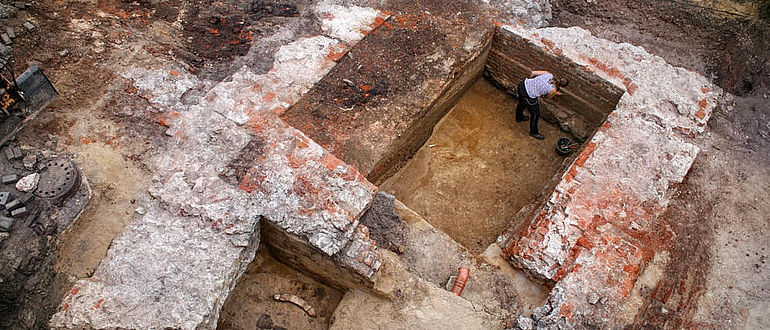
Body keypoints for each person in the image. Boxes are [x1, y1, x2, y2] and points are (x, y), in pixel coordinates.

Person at [515, 70, 569, 140]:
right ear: (562, 86)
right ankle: (533, 132)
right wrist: (555, 93)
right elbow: (547, 97)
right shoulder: (553, 90)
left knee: (522, 102)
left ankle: (519, 117)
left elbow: (533, 73)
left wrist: (533, 83)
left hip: (522, 85)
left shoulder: (549, 74)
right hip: (529, 96)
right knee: (535, 114)